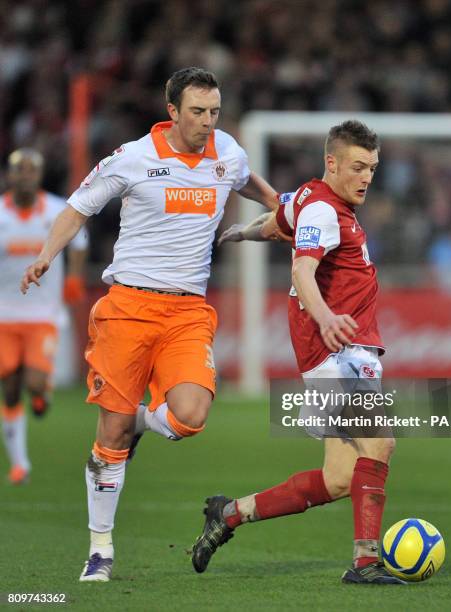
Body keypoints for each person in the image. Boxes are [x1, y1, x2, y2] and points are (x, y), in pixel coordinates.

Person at [20, 67, 279, 582]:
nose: (207, 122)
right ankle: (100, 551)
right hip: (129, 308)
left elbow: (243, 177)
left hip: (186, 312)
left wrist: (277, 203)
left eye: (214, 112)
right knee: (109, 435)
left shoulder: (225, 150)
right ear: (173, 112)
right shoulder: (133, 157)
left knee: (189, 416)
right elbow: (78, 207)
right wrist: (47, 254)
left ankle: (137, 421)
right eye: (198, 112)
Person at [191, 120, 404, 585]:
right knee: (380, 442)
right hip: (336, 353)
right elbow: (305, 270)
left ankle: (228, 515)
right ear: (332, 162)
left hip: (340, 352)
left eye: (372, 167)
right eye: (357, 167)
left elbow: (276, 223)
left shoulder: (309, 198)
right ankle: (366, 563)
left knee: (338, 480)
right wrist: (326, 317)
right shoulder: (326, 212)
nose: (366, 177)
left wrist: (240, 233)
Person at [0, 148, 87, 485]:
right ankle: (20, 463)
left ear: (38, 176)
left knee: (33, 382)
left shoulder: (55, 210)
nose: (25, 176)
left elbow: (79, 241)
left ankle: (40, 391)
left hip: (43, 314)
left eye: (31, 171)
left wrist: (75, 277)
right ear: (10, 175)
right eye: (19, 170)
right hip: (5, 316)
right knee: (8, 389)